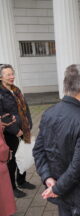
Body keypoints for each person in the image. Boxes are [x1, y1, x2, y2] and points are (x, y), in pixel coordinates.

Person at [33, 64, 80, 216]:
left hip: (59, 188)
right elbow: (79, 165)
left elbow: (38, 152)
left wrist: (48, 178)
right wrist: (52, 184)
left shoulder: (49, 113)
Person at [0, 64, 35, 198]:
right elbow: (2, 115)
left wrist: (28, 125)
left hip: (23, 129)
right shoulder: (1, 93)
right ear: (1, 77)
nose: (11, 77)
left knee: (24, 155)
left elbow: (26, 108)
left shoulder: (16, 90)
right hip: (10, 133)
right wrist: (16, 131)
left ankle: (22, 180)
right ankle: (12, 187)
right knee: (12, 160)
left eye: (12, 73)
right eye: (8, 74)